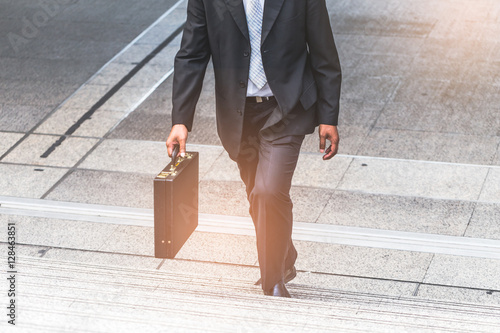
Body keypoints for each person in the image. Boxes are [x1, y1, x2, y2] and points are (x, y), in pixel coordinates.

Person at [166, 0, 341, 298]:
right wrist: (181, 121)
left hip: (288, 108)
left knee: (268, 191)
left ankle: (272, 281)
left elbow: (324, 52)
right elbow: (191, 55)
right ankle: (283, 255)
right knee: (257, 194)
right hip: (240, 114)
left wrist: (328, 116)